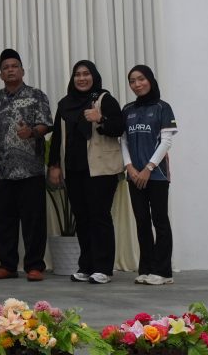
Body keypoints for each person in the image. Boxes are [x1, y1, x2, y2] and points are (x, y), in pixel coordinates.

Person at [47, 60, 124, 284]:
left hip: (101, 170)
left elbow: (119, 128)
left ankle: (103, 268)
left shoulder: (105, 100)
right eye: (77, 74)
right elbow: (57, 137)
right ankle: (86, 266)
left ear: (94, 76)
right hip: (74, 169)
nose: (81, 78)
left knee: (100, 217)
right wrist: (54, 165)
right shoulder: (65, 104)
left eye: (86, 74)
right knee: (82, 218)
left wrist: (100, 118)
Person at [0, 48, 53, 282]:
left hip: (30, 169)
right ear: (1, 74)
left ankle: (35, 266)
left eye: (14, 66)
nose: (10, 70)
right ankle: (7, 265)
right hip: (1, 170)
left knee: (34, 221)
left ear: (22, 70)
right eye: (6, 67)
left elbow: (45, 125)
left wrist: (31, 132)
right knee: (2, 220)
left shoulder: (36, 95)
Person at [121, 65, 178, 286]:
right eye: (132, 81)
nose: (137, 84)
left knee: (160, 221)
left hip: (157, 175)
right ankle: (146, 268)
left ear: (150, 80)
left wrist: (148, 168)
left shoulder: (163, 107)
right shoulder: (127, 110)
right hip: (134, 176)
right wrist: (129, 167)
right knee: (142, 222)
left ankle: (163, 272)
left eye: (141, 79)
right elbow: (123, 141)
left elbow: (166, 141)